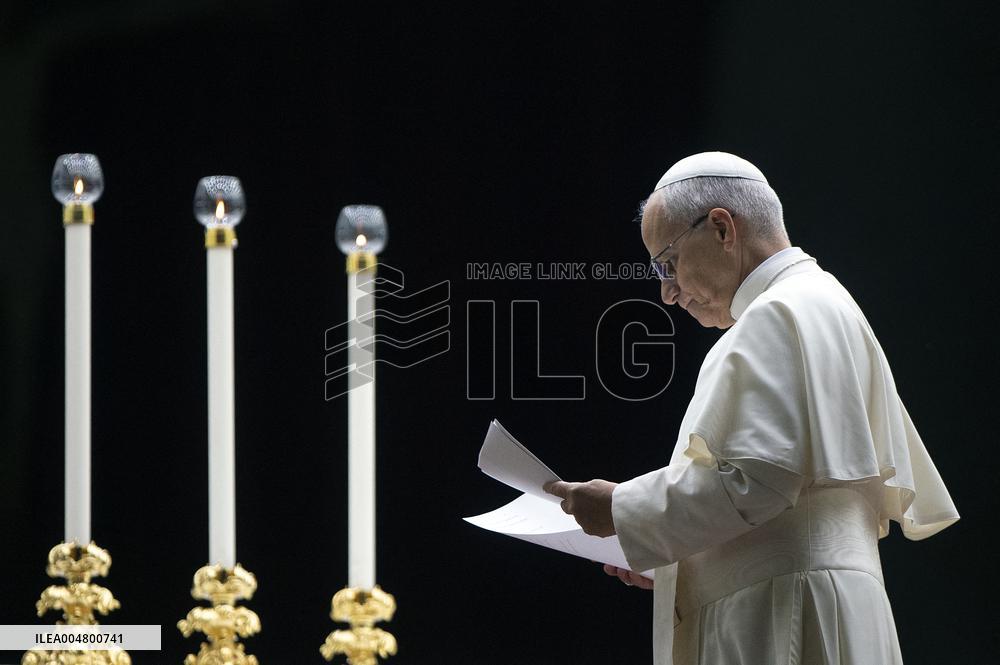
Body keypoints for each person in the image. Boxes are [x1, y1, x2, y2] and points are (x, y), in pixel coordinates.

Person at [544, 152, 959, 665]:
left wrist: (619, 508)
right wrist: (679, 562)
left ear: (722, 228)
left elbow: (757, 480)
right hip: (819, 603)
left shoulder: (778, 312)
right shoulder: (821, 300)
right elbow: (793, 499)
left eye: (667, 263)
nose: (667, 293)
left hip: (786, 616)